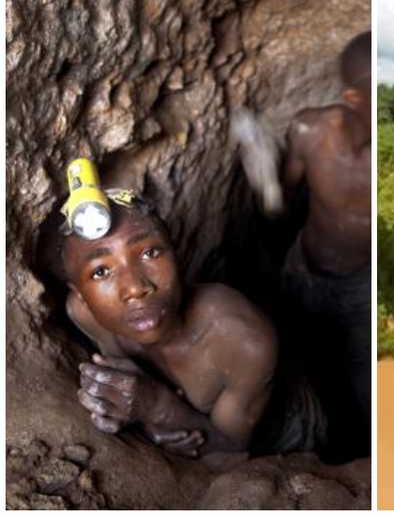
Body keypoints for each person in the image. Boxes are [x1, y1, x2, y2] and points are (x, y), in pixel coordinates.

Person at [61, 193, 326, 461]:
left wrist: (156, 407)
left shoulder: (243, 339)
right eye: (101, 271)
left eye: (149, 252)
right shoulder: (84, 314)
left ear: (177, 254)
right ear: (81, 294)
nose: (136, 288)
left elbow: (232, 453)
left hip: (282, 428)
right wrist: (146, 411)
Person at [281, 31, 371, 452]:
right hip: (305, 269)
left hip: (364, 288)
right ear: (354, 98)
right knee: (298, 366)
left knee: (360, 383)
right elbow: (281, 204)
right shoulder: (309, 131)